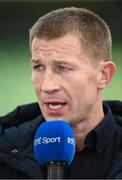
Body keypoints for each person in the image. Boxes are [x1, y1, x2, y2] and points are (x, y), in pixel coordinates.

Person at [0, 7, 122, 179]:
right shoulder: (5, 149)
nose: (47, 86)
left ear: (103, 75)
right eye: (39, 67)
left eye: (63, 68)